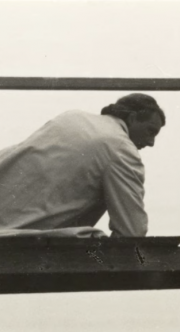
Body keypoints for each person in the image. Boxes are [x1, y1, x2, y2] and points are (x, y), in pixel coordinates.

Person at [0, 93, 165, 237]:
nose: (151, 143)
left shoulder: (72, 117)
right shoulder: (120, 146)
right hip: (18, 244)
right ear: (132, 118)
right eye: (150, 131)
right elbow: (132, 230)